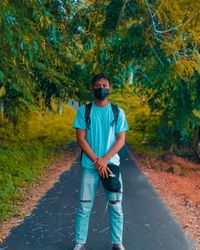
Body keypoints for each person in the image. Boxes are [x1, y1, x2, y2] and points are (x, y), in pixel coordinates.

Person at [72, 73, 129, 250]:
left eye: (105, 85)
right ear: (92, 88)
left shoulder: (117, 112)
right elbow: (80, 139)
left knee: (115, 205)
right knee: (84, 206)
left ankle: (117, 242)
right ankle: (80, 242)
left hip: (111, 165)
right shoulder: (84, 111)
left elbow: (121, 139)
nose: (101, 88)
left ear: (110, 89)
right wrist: (97, 160)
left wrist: (104, 159)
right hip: (90, 166)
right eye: (98, 85)